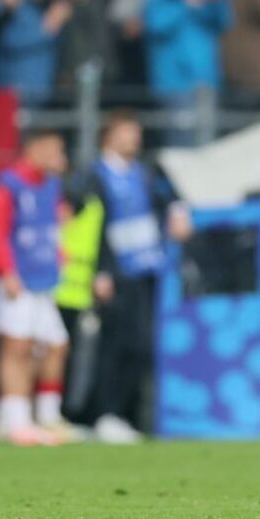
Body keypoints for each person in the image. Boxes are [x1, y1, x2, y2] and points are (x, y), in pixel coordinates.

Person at [82, 111, 191, 443]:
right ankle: (102, 414)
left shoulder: (143, 173)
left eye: (136, 131)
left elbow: (170, 197)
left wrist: (177, 212)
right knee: (115, 344)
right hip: (115, 272)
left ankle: (123, 416)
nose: (134, 138)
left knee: (142, 345)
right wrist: (99, 270)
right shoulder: (94, 176)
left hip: (146, 269)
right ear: (108, 137)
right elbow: (89, 227)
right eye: (127, 131)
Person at [0, 129, 77, 445]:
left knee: (55, 345)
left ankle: (46, 416)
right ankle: (16, 421)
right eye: (53, 149)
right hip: (17, 280)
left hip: (44, 280)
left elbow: (51, 228)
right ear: (32, 148)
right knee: (17, 347)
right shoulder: (7, 186)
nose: (59, 157)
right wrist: (6, 270)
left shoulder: (51, 185)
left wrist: (60, 255)